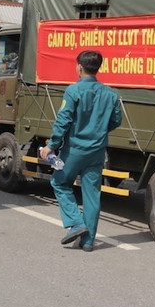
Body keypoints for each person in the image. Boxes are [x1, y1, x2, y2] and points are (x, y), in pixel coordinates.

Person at [39, 50, 122, 252]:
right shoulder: (111, 93)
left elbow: (63, 120)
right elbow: (116, 120)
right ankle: (88, 241)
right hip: (96, 151)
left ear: (79, 67)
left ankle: (76, 223)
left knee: (59, 182)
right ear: (97, 69)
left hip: (74, 150)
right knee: (92, 194)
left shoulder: (73, 91)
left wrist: (52, 145)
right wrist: (99, 130)